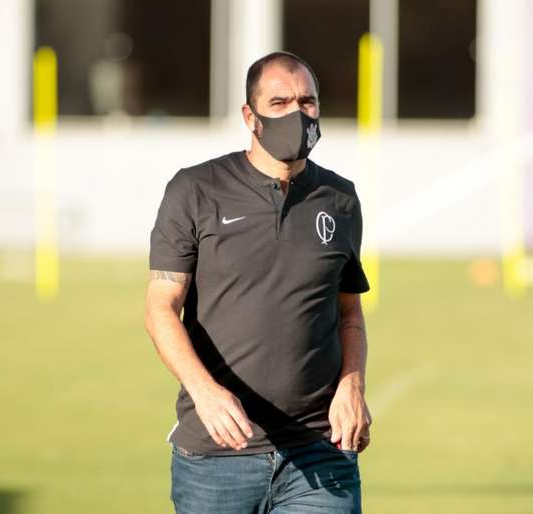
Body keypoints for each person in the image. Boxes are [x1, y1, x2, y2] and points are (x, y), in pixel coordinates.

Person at [145, 51, 372, 513]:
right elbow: (160, 309)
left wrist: (353, 384)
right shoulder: (194, 190)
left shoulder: (340, 198)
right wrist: (204, 392)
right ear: (250, 116)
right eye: (280, 102)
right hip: (217, 456)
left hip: (320, 452)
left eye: (307, 102)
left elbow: (348, 312)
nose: (297, 113)